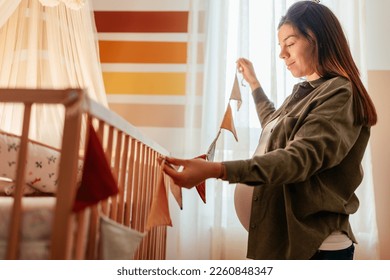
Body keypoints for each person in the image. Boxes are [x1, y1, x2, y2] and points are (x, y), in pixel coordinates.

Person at [162, 0, 377, 260]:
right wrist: (253, 83)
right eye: (280, 46)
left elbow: (299, 158)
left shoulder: (339, 93)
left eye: (290, 43)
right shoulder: (306, 92)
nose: (282, 55)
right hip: (285, 242)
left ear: (317, 38)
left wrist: (217, 170)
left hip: (314, 248)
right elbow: (273, 125)